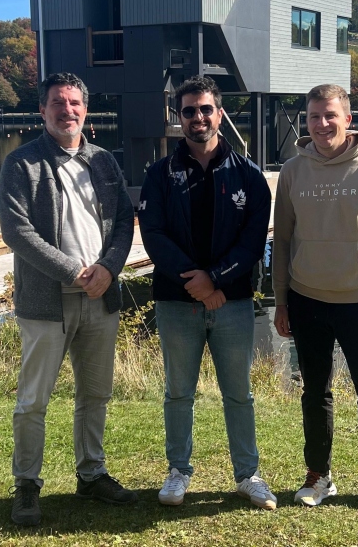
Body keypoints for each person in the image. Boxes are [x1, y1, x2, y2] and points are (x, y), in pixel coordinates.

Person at [0, 72, 137, 526]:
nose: (67, 110)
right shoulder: (22, 164)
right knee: (33, 400)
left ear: (85, 109)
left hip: (100, 297)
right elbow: (17, 232)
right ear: (42, 110)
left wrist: (109, 268)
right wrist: (74, 272)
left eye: (75, 103)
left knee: (94, 393)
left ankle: (91, 473)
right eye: (58, 103)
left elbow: (123, 223)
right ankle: (27, 484)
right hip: (47, 301)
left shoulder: (104, 162)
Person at [138, 75, 276, 510]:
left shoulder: (249, 176)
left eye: (205, 109)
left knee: (239, 393)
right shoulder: (160, 174)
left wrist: (215, 279)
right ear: (179, 118)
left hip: (232, 302)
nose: (197, 117)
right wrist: (196, 283)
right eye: (188, 111)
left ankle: (248, 474)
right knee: (179, 391)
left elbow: (254, 242)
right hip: (176, 301)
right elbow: (154, 235)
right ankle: (178, 471)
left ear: (220, 113)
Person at [273, 83, 358, 514]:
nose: (322, 124)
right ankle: (319, 475)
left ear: (348, 119)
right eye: (314, 116)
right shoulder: (293, 170)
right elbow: (283, 241)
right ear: (306, 121)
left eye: (330, 115)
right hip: (306, 300)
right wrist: (280, 301)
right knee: (314, 392)